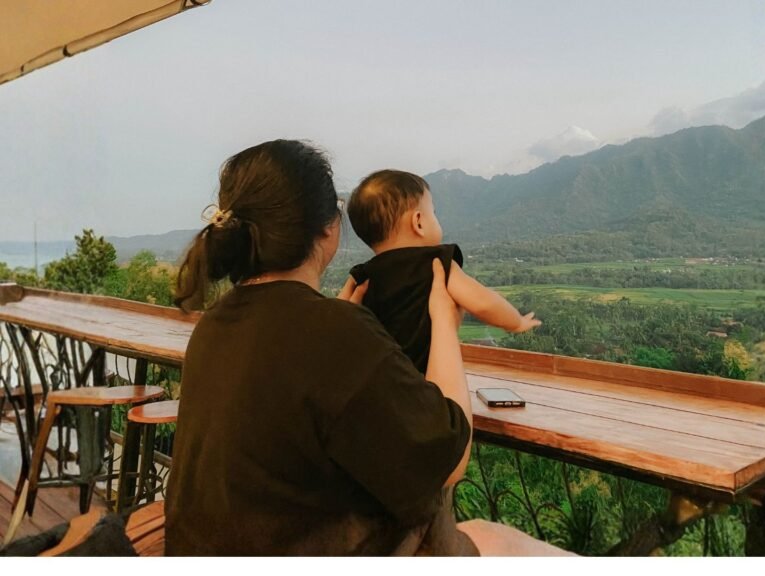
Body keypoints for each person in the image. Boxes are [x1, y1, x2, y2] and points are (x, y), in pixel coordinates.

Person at [164, 139, 568, 556]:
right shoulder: (331, 330)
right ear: (329, 227)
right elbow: (448, 463)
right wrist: (444, 323)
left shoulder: (215, 324)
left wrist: (341, 327)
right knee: (511, 544)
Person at [342, 169, 542, 374]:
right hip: (426, 383)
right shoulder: (436, 264)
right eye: (434, 213)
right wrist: (516, 322)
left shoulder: (361, 276)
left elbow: (340, 318)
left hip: (379, 384)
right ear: (418, 222)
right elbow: (484, 303)